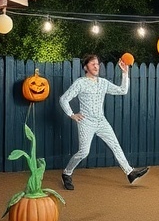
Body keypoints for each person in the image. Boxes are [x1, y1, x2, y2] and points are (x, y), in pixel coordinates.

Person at [59, 54, 149, 189]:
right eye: (92, 64)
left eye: (97, 64)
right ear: (85, 67)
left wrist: (125, 73)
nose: (96, 66)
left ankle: (130, 172)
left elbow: (123, 91)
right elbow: (64, 99)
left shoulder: (103, 83)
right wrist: (71, 114)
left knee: (115, 145)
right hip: (86, 122)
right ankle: (67, 173)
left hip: (101, 121)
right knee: (84, 152)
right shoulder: (80, 83)